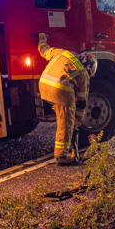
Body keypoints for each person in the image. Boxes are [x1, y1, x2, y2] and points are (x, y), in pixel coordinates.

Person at [37, 33, 97, 165]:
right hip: (60, 89)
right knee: (66, 123)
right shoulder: (83, 73)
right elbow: (81, 102)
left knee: (62, 113)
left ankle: (64, 152)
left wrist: (42, 40)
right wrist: (77, 120)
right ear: (89, 67)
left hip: (43, 85)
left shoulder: (63, 53)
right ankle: (61, 156)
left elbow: (44, 51)